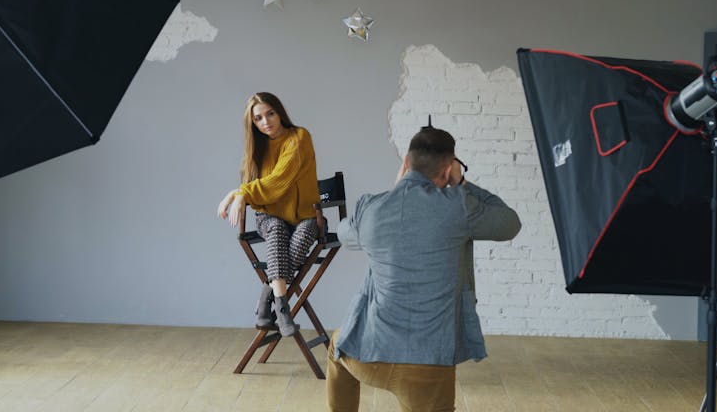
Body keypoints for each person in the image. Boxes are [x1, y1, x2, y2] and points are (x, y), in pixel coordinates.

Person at [327, 126, 521, 412]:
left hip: (368, 355)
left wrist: (395, 192)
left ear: (406, 162)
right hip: (426, 365)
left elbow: (344, 233)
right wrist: (463, 182)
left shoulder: (371, 207)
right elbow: (509, 223)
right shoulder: (459, 207)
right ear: (446, 171)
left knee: (337, 348)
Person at [217, 92, 319, 337]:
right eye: (258, 118)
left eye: (270, 113)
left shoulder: (299, 138)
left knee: (301, 237)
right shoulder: (257, 149)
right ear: (253, 123)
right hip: (269, 217)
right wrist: (240, 191)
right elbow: (264, 191)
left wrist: (239, 193)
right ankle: (283, 311)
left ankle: (266, 298)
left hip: (305, 215)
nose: (266, 122)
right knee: (276, 231)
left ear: (279, 111)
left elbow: (279, 181)